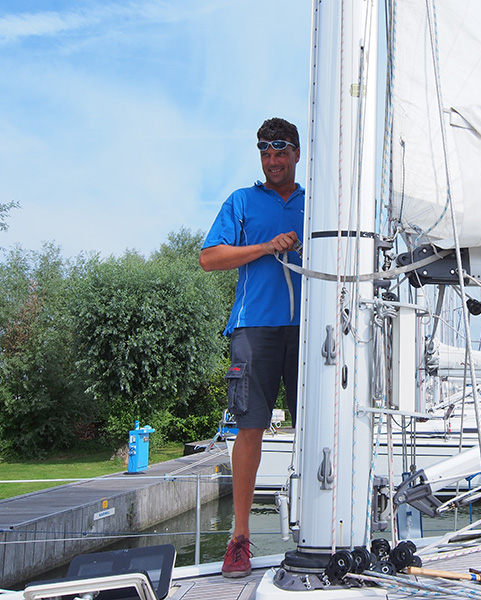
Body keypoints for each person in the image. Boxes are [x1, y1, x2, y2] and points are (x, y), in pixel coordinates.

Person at [199, 117, 304, 578]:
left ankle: (325, 528)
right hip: (253, 329)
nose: (273, 161)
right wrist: (264, 247)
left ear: (296, 154)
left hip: (311, 328)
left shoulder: (318, 202)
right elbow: (209, 257)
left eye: (280, 152)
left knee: (319, 427)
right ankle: (239, 538)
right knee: (250, 431)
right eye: (265, 153)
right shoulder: (241, 201)